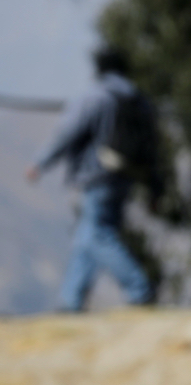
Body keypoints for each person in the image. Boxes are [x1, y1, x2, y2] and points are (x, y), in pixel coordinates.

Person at [26, 46, 160, 312]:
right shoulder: (138, 99)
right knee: (86, 238)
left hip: (96, 176)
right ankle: (70, 301)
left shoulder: (95, 96)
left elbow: (67, 133)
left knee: (98, 235)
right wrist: (156, 184)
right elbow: (152, 144)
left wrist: (40, 162)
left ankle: (139, 289)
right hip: (127, 176)